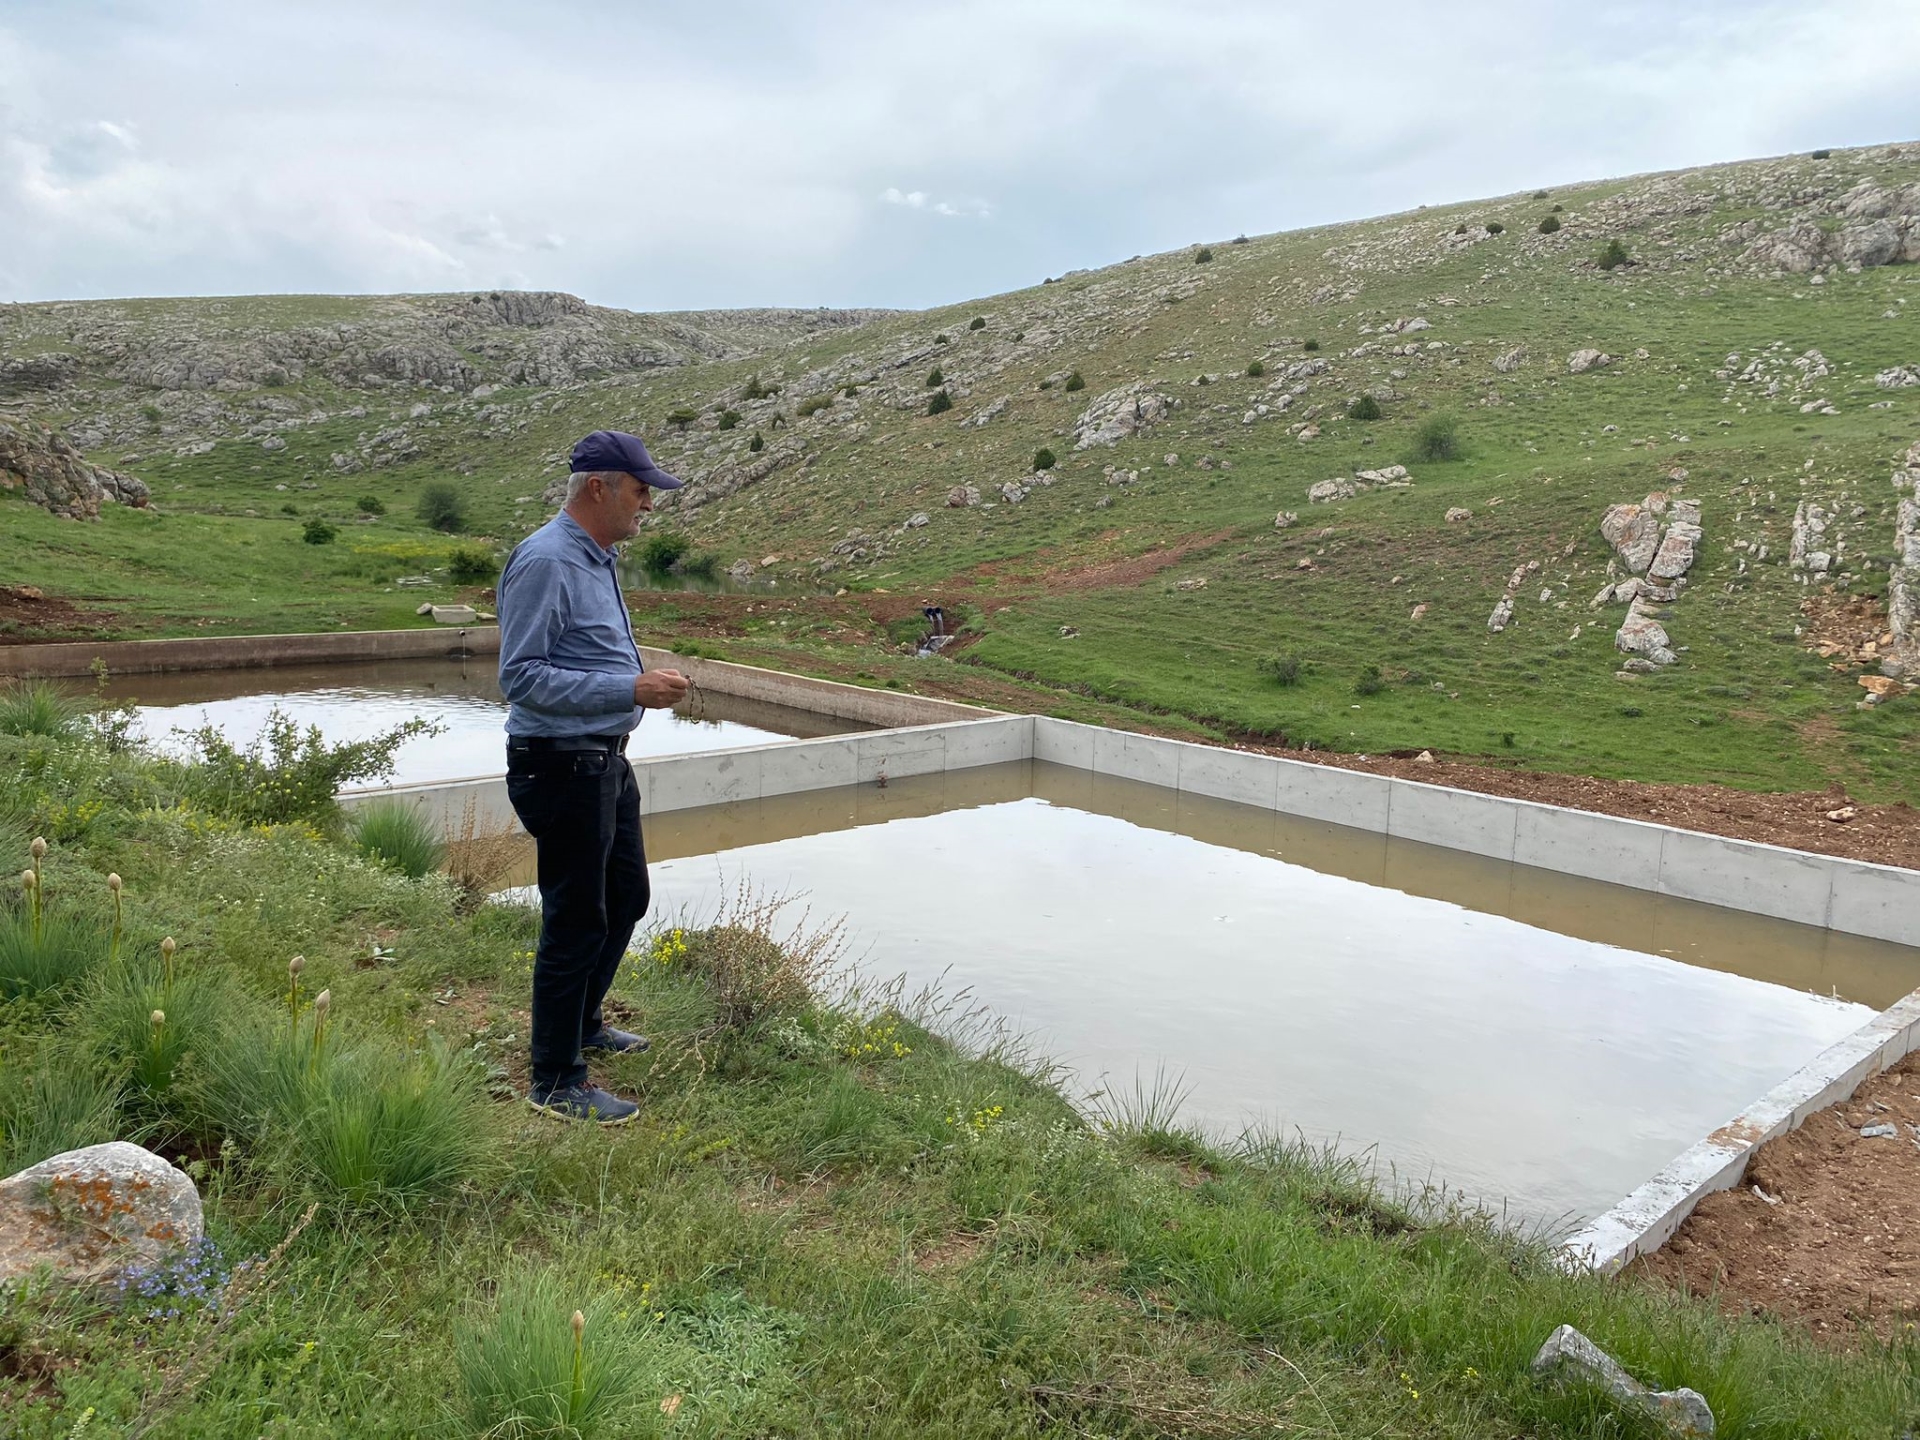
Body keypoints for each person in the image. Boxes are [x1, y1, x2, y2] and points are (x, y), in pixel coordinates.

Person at [496, 430, 691, 1123]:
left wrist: (627, 692)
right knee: (576, 919)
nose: (649, 506)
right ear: (599, 488)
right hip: (561, 763)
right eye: (642, 491)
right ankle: (554, 1078)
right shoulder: (547, 559)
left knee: (625, 897)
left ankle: (583, 1024)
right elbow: (521, 677)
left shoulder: (595, 556)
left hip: (603, 757)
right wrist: (630, 690)